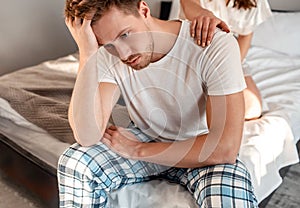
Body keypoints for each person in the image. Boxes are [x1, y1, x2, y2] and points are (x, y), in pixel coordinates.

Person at [58, 0, 258, 207]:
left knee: (228, 197)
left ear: (143, 10)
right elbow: (87, 135)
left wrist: (139, 150)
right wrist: (87, 54)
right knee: (75, 163)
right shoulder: (107, 54)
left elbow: (224, 148)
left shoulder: (214, 43)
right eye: (107, 45)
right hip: (147, 135)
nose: (124, 54)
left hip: (200, 149)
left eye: (125, 35)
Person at [180, 0, 272, 120]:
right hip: (193, 53)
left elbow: (245, 36)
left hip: (229, 56)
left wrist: (228, 68)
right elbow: (188, 5)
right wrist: (204, 15)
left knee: (252, 109)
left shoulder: (255, 2)